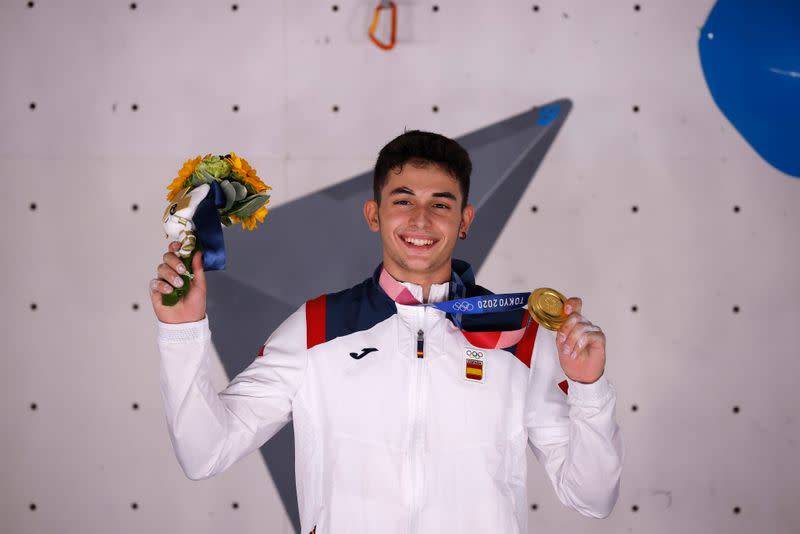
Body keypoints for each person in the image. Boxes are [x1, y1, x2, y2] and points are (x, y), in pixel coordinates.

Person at [150, 130, 623, 533]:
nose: (421, 220)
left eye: (441, 204)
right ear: (374, 215)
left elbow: (593, 497)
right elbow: (204, 454)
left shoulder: (517, 334)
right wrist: (182, 333)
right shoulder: (318, 328)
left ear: (465, 220)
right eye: (404, 201)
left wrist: (588, 388)